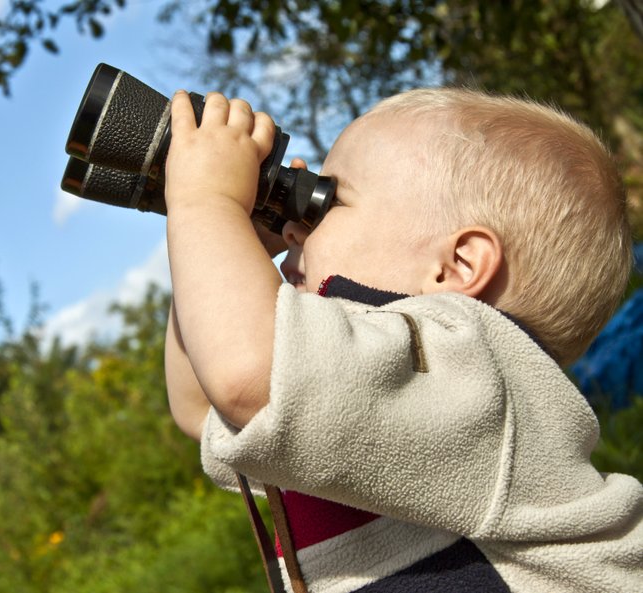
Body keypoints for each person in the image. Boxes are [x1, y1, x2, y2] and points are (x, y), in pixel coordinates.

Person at [162, 87, 643, 593]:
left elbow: (246, 377)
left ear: (455, 266)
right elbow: (202, 405)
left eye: (328, 202)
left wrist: (206, 201)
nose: (294, 229)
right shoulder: (359, 399)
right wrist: (222, 239)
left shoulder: (472, 372)